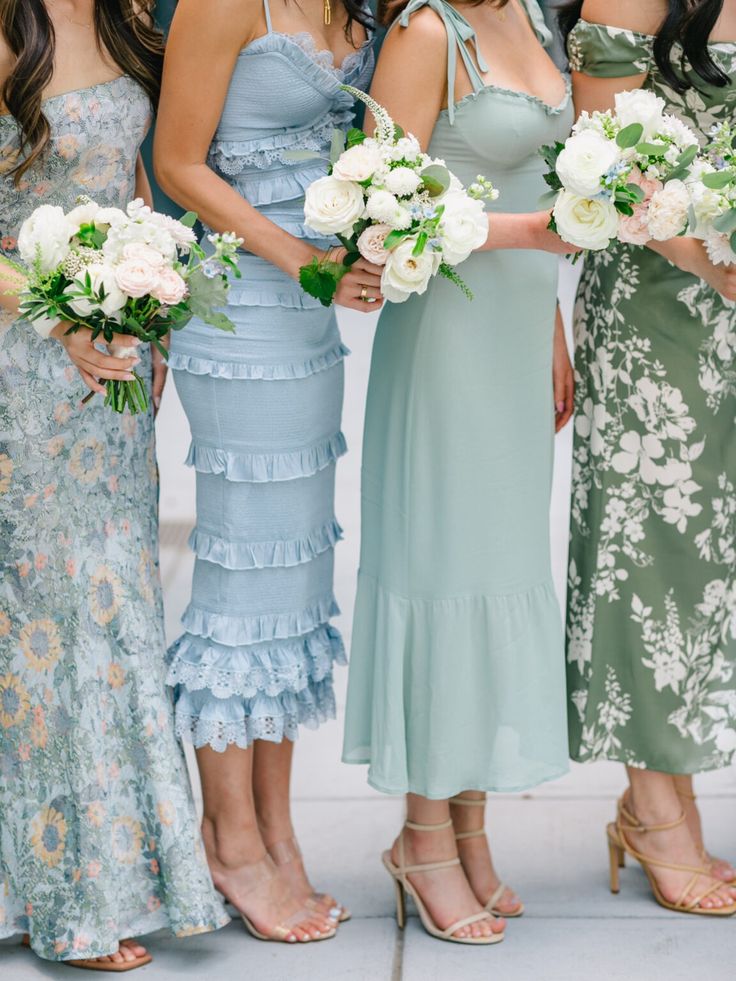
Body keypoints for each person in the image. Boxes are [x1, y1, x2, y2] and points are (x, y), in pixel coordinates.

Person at [342, 0, 576, 945]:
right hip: (446, 330)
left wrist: (550, 324)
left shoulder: (530, 14)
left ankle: (471, 826)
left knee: (495, 566)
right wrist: (534, 236)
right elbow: (387, 211)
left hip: (517, 321)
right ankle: (422, 835)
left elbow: (536, 174)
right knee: (442, 569)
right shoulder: (426, 32)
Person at [0, 0, 228, 971]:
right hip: (26, 365)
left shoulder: (131, 16)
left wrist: (150, 306)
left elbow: (134, 183)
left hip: (119, 365)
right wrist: (64, 316)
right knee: (48, 623)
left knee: (117, 605)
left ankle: (128, 874)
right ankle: (70, 898)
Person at [154, 0, 381, 944]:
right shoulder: (221, 2)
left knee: (293, 566)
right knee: (243, 569)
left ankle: (278, 827)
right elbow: (176, 161)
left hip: (310, 303)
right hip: (239, 295)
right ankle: (229, 837)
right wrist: (296, 256)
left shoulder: (357, 4)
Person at [559, 0, 736, 915]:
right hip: (659, 308)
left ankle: (669, 787)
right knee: (657, 549)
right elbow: (602, 165)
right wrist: (716, 258)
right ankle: (657, 808)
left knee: (720, 561)